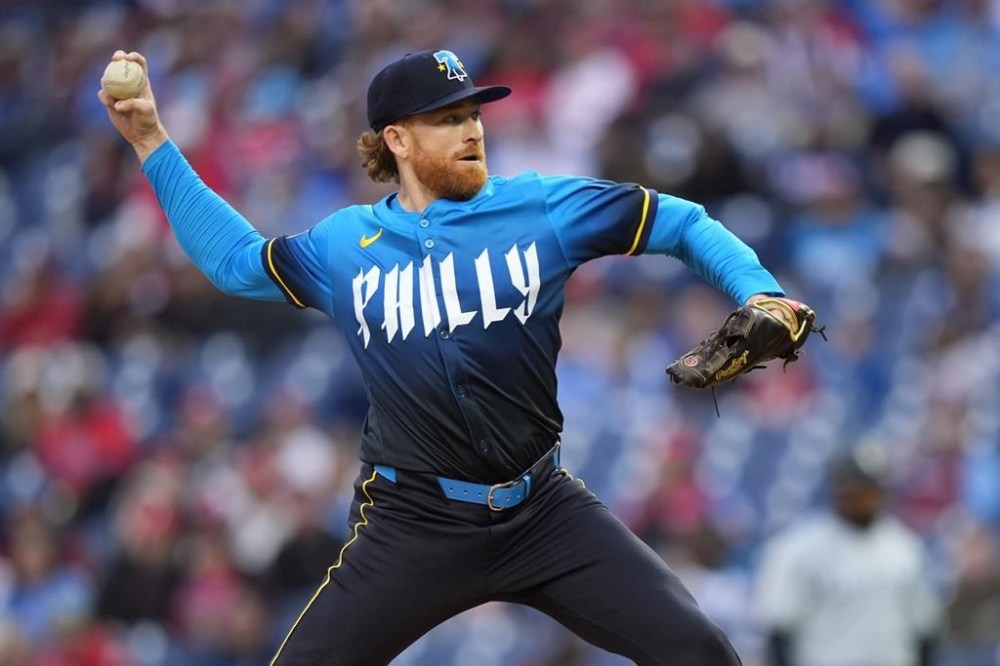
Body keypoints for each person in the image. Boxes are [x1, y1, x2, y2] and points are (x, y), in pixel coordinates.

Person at [100, 47, 802, 666]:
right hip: (414, 523)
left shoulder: (540, 209)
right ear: (398, 140)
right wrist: (151, 139)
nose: (471, 129)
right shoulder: (345, 246)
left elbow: (680, 222)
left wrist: (761, 293)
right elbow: (232, 260)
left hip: (543, 511)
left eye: (474, 113)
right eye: (447, 118)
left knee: (698, 651)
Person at [753, 445, 941, 666]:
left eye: (869, 491)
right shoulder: (799, 548)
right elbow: (779, 631)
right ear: (837, 491)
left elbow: (926, 631)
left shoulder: (905, 548)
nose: (863, 500)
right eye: (855, 492)